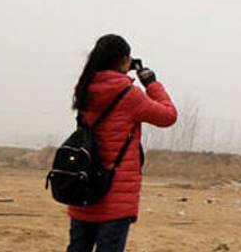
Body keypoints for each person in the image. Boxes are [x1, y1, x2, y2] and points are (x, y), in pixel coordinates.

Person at [66, 34, 177, 252]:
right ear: (124, 60)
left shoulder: (84, 90)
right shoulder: (129, 95)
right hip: (114, 196)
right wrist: (151, 83)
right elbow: (168, 116)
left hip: (84, 187)